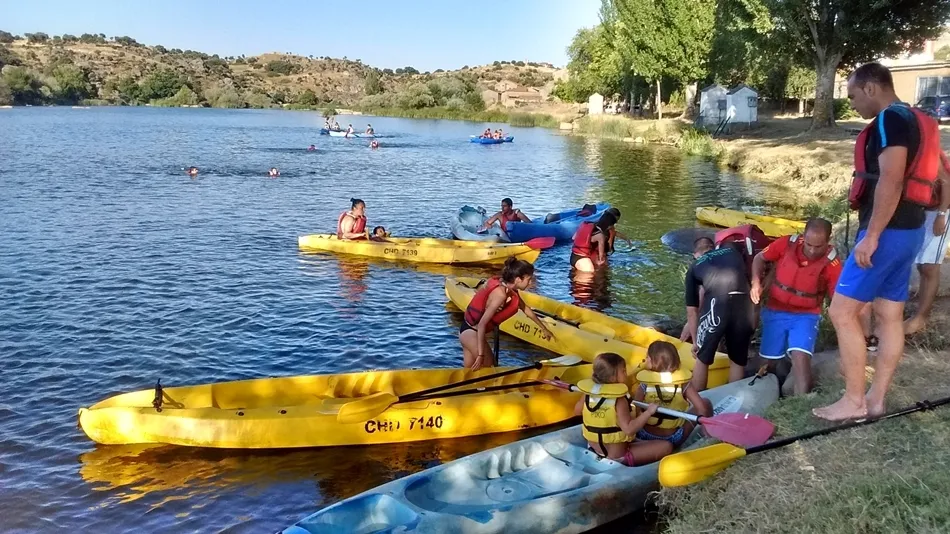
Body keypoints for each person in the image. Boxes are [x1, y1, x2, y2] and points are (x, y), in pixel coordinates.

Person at [815, 63, 938, 421]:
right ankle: (877, 400)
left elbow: (892, 179)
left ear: (871, 88)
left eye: (852, 95)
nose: (851, 103)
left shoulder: (888, 120)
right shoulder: (914, 118)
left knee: (841, 311)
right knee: (888, 314)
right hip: (910, 231)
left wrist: (871, 236)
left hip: (887, 234)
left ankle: (853, 401)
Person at [750, 218, 843, 395]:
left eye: (818, 246)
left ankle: (801, 400)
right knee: (766, 362)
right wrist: (756, 283)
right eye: (809, 244)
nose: (812, 250)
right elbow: (759, 258)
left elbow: (836, 298)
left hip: (806, 315)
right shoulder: (786, 243)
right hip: (775, 309)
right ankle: (760, 392)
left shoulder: (832, 263)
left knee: (800, 356)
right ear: (802, 237)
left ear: (828, 241)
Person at [681, 237, 754, 391]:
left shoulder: (694, 267)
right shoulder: (731, 250)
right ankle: (733, 400)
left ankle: (698, 404)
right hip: (743, 303)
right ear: (713, 247)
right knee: (737, 359)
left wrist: (696, 342)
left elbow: (692, 312)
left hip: (717, 304)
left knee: (702, 359)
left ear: (695, 254)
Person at [575, 352, 671, 466]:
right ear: (612, 377)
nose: (626, 373)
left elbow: (577, 411)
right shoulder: (619, 400)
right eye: (623, 371)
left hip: (594, 450)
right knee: (666, 446)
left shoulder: (588, 393)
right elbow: (629, 429)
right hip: (617, 457)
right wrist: (649, 412)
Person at [459, 258, 555, 371]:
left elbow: (525, 309)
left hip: (465, 331)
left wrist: (543, 328)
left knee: (469, 374)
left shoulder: (508, 289)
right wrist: (481, 355)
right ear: (518, 279)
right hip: (473, 334)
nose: (530, 283)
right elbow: (482, 324)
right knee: (490, 370)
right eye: (529, 279)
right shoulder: (500, 295)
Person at [632, 341, 712, 446]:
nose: (645, 360)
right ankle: (708, 435)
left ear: (651, 361)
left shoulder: (645, 384)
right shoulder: (683, 384)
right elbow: (702, 408)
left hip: (644, 435)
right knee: (705, 403)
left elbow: (635, 409)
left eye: (647, 358)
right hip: (674, 438)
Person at [905, 152, 950, 335]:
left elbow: (946, 182)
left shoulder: (930, 152)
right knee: (922, 266)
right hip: (920, 211)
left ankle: (921, 318)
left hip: (940, 211)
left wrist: (941, 215)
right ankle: (918, 312)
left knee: (930, 266)